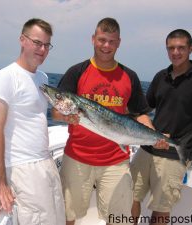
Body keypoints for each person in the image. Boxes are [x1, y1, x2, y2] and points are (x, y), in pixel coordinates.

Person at [52, 17, 159, 225]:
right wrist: (67, 116)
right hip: (77, 158)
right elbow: (56, 112)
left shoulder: (130, 76)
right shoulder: (77, 71)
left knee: (118, 219)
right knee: (69, 215)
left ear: (119, 42)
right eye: (102, 40)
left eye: (111, 41)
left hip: (116, 161)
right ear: (93, 39)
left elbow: (141, 113)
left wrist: (154, 135)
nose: (106, 46)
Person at [130, 29, 192, 225]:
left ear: (191, 49)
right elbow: (143, 111)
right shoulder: (160, 76)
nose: (176, 52)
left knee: (160, 212)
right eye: (171, 48)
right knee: (129, 199)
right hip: (147, 148)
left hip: (175, 155)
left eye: (181, 48)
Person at [0, 18, 65, 225]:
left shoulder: (42, 78)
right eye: (37, 42)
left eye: (47, 45)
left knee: (56, 218)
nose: (43, 49)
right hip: (23, 168)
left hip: (45, 162)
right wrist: (0, 181)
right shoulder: (4, 78)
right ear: (22, 40)